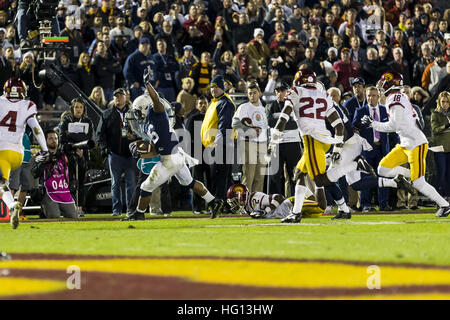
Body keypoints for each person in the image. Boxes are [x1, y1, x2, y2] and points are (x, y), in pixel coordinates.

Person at [125, 68, 224, 221]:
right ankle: (213, 201)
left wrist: (148, 85)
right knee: (189, 182)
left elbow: (156, 101)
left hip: (170, 159)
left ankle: (138, 213)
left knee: (146, 187)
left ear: (145, 107)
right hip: (176, 156)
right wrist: (142, 151)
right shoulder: (148, 123)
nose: (137, 115)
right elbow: (154, 147)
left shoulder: (156, 112)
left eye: (138, 111)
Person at [269, 69, 354, 223]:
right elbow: (339, 126)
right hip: (325, 140)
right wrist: (337, 149)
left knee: (320, 180)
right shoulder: (323, 94)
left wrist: (274, 137)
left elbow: (284, 116)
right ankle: (297, 213)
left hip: (311, 139)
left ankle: (345, 202)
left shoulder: (296, 91)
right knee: (299, 174)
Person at [361, 71, 450, 217]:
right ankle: (407, 176)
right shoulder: (396, 97)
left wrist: (373, 124)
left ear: (391, 83)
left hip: (416, 144)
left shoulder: (395, 98)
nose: (381, 86)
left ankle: (444, 205)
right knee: (382, 169)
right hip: (405, 143)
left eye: (383, 83)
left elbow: (393, 126)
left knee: (419, 183)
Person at [0, 77, 48, 229]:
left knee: (2, 184)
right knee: (3, 183)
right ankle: (13, 204)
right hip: (18, 153)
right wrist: (45, 149)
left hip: (1, 151)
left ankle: (12, 203)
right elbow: (36, 128)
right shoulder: (27, 105)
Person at [96, 88, 137, 217]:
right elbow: (99, 134)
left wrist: (135, 138)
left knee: (131, 184)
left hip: (130, 154)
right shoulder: (107, 114)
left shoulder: (133, 114)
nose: (118, 98)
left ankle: (130, 210)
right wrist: (104, 148)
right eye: (116, 96)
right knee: (115, 184)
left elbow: (141, 131)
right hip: (114, 154)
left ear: (126, 98)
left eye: (120, 96)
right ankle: (116, 210)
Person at [353, 86, 393, 212]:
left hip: (382, 149)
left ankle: (383, 204)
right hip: (367, 150)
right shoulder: (360, 111)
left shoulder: (384, 110)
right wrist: (360, 124)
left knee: (384, 176)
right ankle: (366, 204)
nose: (371, 98)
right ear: (366, 95)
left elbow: (391, 129)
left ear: (378, 97)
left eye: (374, 95)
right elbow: (353, 128)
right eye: (369, 95)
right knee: (366, 178)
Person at [201, 75, 236, 208]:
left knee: (220, 178)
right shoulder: (215, 102)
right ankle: (225, 205)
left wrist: (218, 146)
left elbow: (224, 127)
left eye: (216, 87)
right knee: (219, 177)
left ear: (222, 87)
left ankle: (219, 205)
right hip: (213, 145)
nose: (213, 89)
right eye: (212, 87)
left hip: (221, 146)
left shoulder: (225, 103)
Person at [265, 81, 302, 197]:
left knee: (295, 175)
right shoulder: (270, 105)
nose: (280, 93)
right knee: (275, 175)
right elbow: (269, 122)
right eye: (278, 91)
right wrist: (287, 121)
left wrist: (281, 122)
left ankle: (295, 202)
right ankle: (274, 203)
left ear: (288, 91)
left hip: (293, 143)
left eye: (283, 90)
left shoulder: (295, 105)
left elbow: (296, 124)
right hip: (277, 144)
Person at [59, 98, 95, 217]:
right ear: (72, 109)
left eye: (80, 107)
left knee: (80, 183)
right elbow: (62, 139)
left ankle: (80, 208)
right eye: (76, 107)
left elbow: (89, 138)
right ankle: (68, 207)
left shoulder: (88, 122)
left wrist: (72, 136)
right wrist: (79, 138)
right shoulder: (66, 121)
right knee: (69, 182)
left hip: (82, 154)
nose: (78, 109)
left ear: (84, 109)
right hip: (68, 155)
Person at [32, 130, 78, 219]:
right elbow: (34, 173)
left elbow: (78, 169)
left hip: (64, 192)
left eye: (56, 138)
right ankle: (44, 211)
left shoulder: (64, 155)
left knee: (74, 216)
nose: (54, 140)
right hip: (49, 192)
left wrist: (79, 158)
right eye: (50, 138)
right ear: (45, 141)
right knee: (54, 216)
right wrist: (44, 162)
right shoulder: (41, 155)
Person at [232, 82, 268, 193]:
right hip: (248, 143)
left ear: (260, 93)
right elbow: (235, 124)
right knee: (249, 176)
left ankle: (256, 204)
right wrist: (249, 131)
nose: (252, 95)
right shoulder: (243, 107)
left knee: (260, 177)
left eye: (254, 93)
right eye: (250, 93)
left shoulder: (264, 108)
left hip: (262, 144)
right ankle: (244, 204)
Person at [185, 96, 211, 214]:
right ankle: (197, 207)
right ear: (196, 106)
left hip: (211, 154)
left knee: (210, 181)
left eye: (205, 103)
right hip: (197, 155)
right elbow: (187, 137)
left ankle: (209, 206)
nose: (203, 105)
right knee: (197, 181)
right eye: (200, 103)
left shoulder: (211, 118)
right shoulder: (193, 118)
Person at [430, 91, 450, 202]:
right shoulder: (435, 114)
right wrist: (446, 126)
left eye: (447, 102)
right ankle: (439, 197)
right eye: (443, 101)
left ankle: (448, 196)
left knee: (449, 174)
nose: (445, 104)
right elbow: (435, 130)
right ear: (439, 102)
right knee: (441, 174)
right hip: (440, 148)